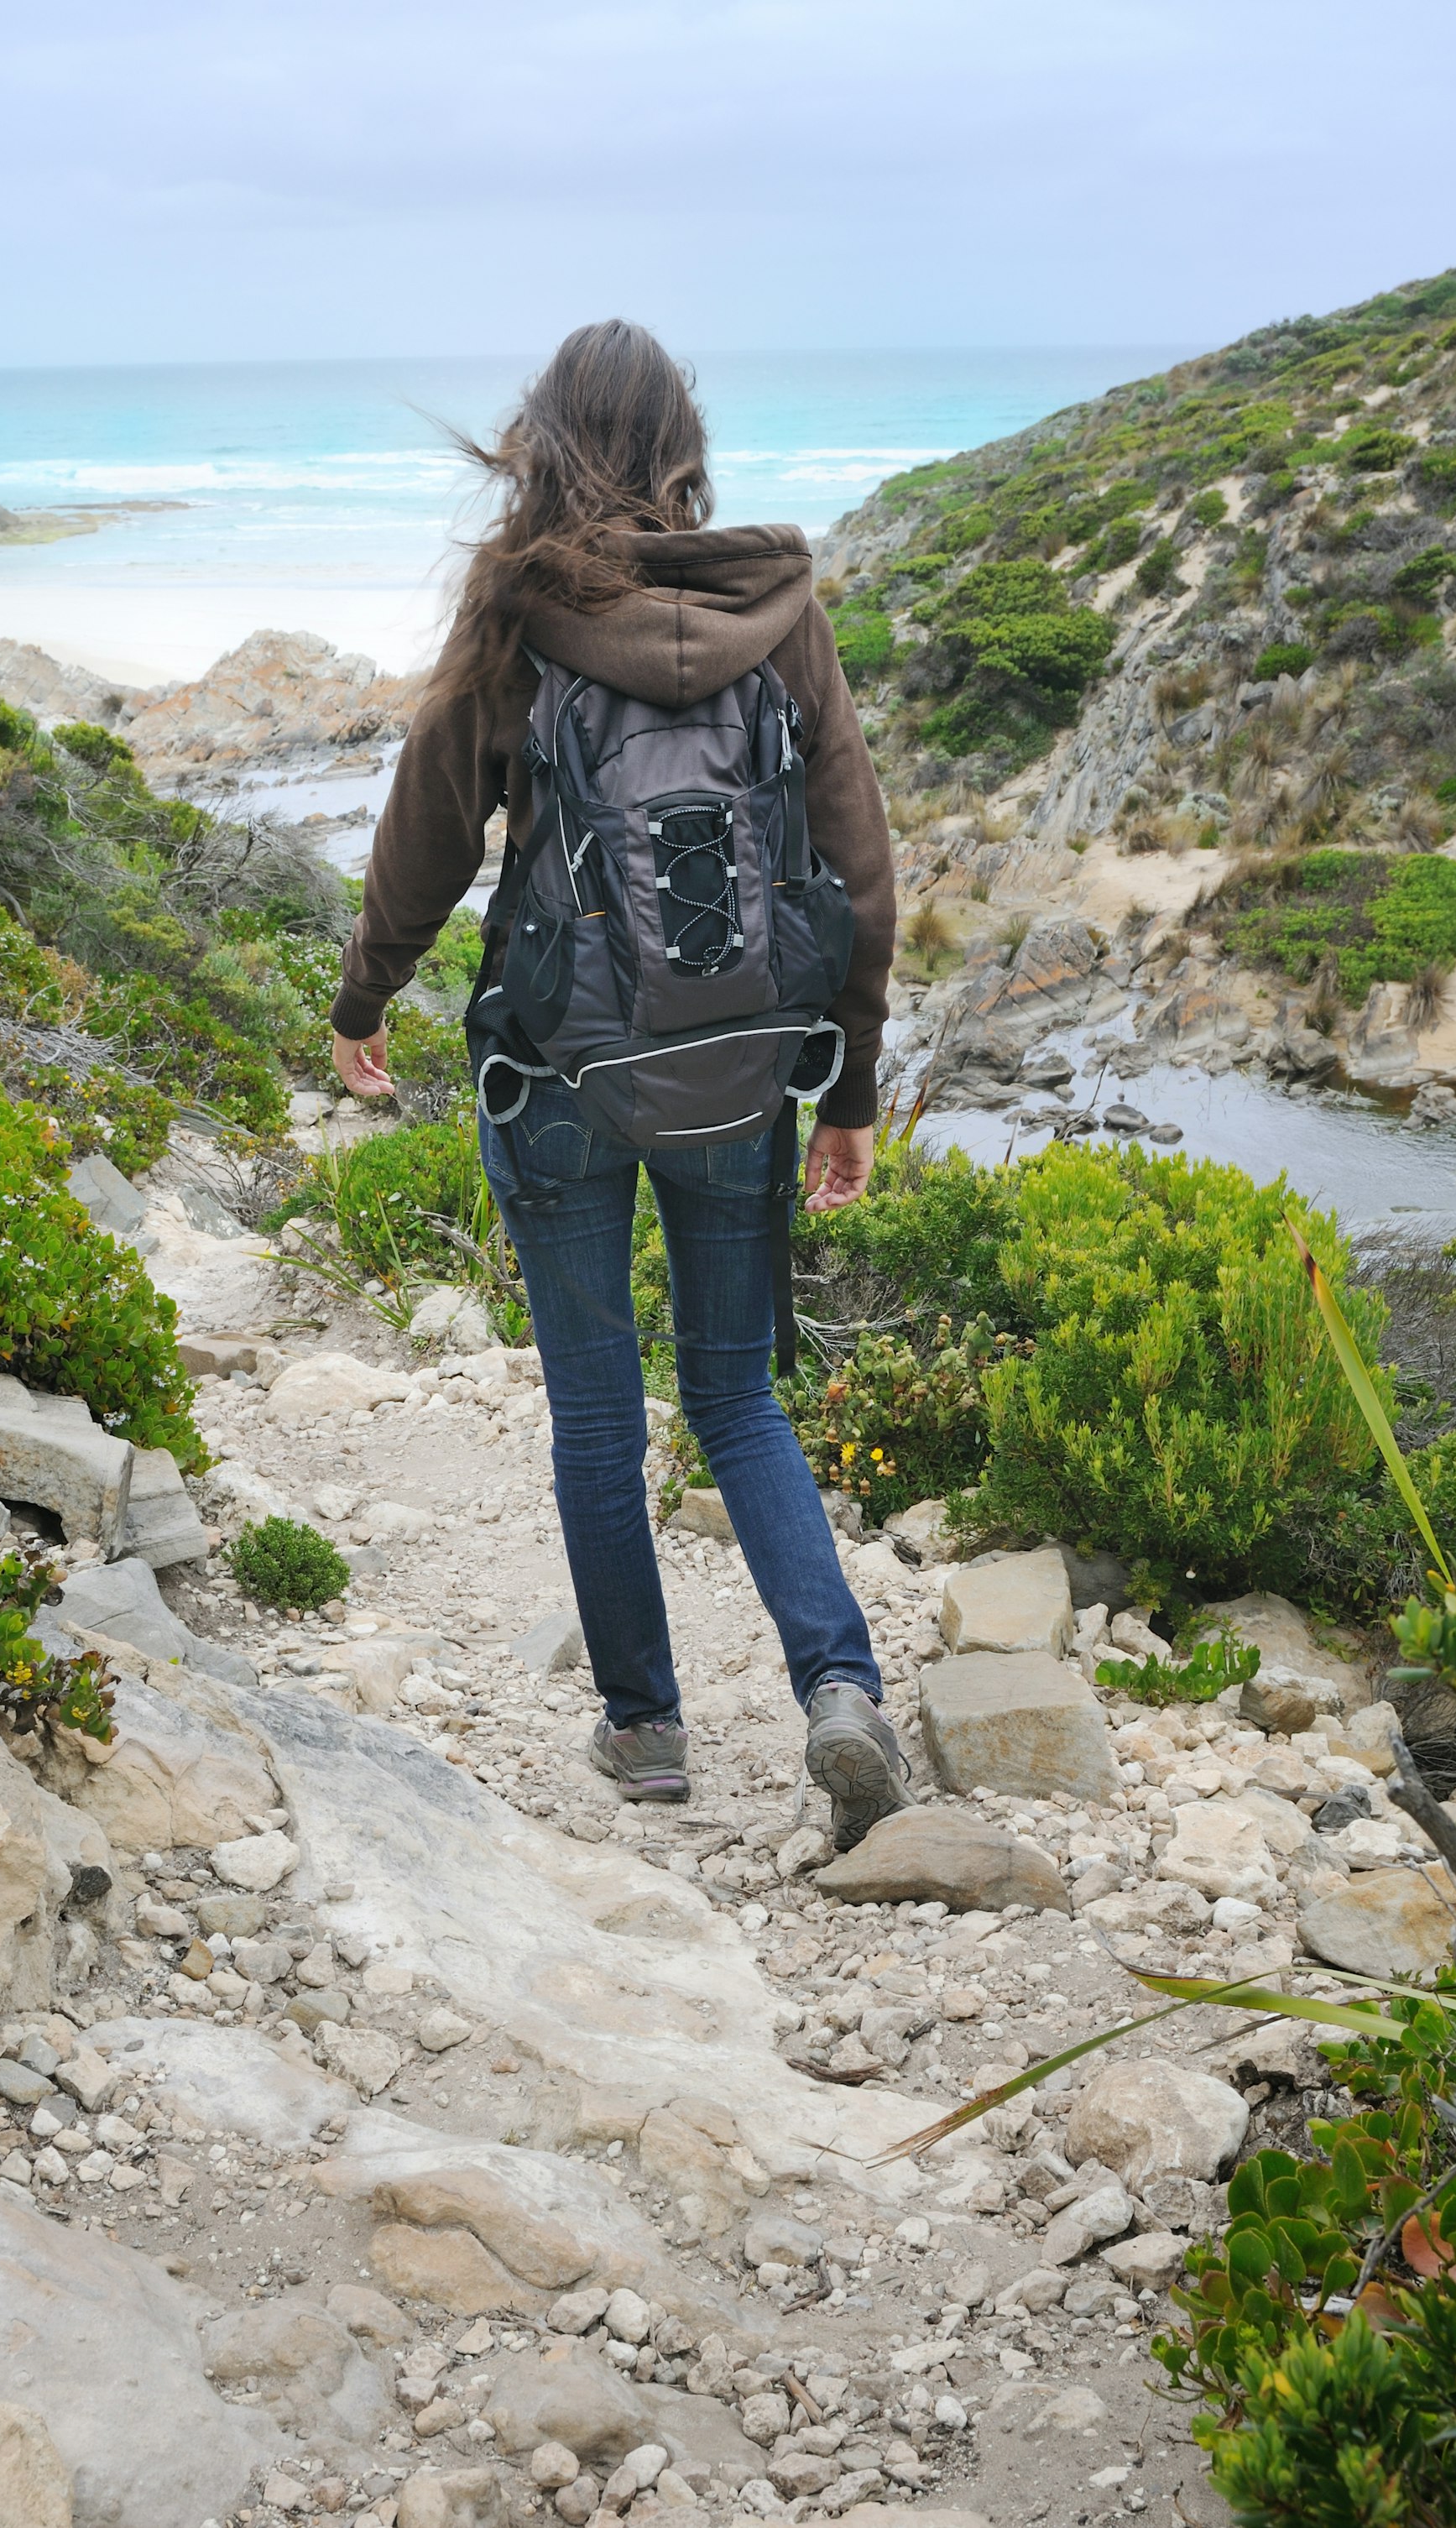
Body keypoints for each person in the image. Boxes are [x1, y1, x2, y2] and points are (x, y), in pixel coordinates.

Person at [326, 320, 908, 1852]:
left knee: (598, 1411)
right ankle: (838, 1689)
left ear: (541, 437)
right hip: (739, 1070)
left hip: (562, 1064)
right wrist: (848, 1077)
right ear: (682, 440)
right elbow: (854, 855)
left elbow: (431, 826)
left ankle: (645, 1733)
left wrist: (364, 993)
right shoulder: (774, 604)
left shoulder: (518, 611)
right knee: (734, 1393)